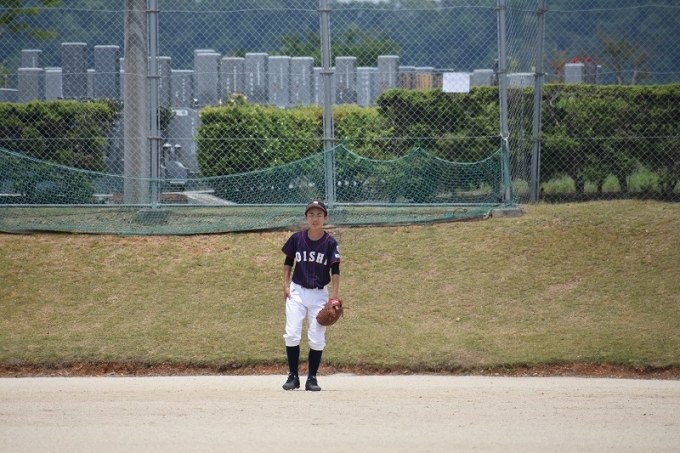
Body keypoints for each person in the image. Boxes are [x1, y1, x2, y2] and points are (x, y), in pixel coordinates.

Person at [281, 200, 341, 391]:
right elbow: (288, 262)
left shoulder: (330, 242)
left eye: (319, 215)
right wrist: (285, 286)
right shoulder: (297, 238)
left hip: (319, 294)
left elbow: (335, 270)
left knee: (316, 337)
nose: (315, 218)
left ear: (326, 218)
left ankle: (312, 378)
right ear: (306, 218)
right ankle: (293, 376)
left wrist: (334, 296)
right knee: (292, 334)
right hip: (297, 291)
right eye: (311, 214)